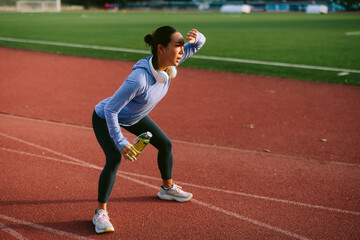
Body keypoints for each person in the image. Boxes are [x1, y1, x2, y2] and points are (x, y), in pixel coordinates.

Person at [91, 26, 206, 234]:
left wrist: (197, 37)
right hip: (105, 117)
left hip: (134, 117)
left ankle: (167, 189)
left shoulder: (168, 65)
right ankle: (100, 213)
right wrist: (121, 142)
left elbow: (198, 44)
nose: (183, 50)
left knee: (165, 144)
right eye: (178, 46)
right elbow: (110, 110)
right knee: (115, 158)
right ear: (161, 49)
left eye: (183, 46)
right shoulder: (139, 79)